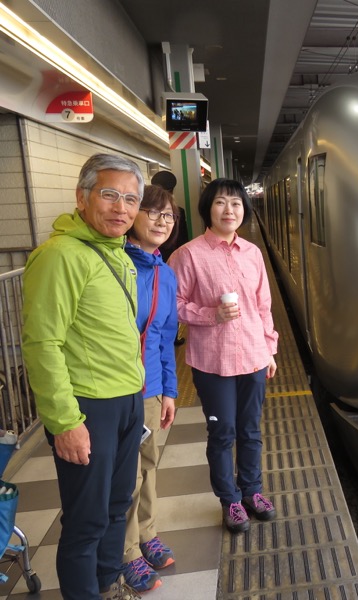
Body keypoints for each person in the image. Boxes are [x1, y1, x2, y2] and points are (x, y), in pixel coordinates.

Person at [22, 153, 145, 600]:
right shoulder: (59, 256)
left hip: (127, 400)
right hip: (88, 408)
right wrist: (65, 421)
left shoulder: (117, 254)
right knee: (86, 519)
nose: (122, 208)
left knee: (116, 508)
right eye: (109, 194)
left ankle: (108, 585)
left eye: (131, 199)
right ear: (82, 196)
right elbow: (41, 344)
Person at [168, 178, 279, 533]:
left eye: (235, 203)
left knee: (250, 429)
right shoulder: (187, 255)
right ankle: (229, 500)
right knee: (223, 433)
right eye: (220, 203)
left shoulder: (253, 253)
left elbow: (263, 305)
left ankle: (252, 491)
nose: (229, 210)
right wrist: (210, 314)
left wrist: (270, 349)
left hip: (254, 356)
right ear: (207, 209)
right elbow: (175, 305)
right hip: (212, 362)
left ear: (244, 210)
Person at [121, 185, 179, 592]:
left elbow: (165, 336)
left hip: (154, 388)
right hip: (120, 391)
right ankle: (126, 553)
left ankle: (147, 534)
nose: (161, 221)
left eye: (168, 216)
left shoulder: (165, 272)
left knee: (149, 468)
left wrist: (171, 392)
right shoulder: (117, 263)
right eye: (153, 212)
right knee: (127, 477)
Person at [151, 170, 188, 346]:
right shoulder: (178, 211)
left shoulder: (142, 211)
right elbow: (183, 241)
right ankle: (172, 336)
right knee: (171, 300)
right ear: (173, 190)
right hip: (171, 265)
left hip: (150, 262)